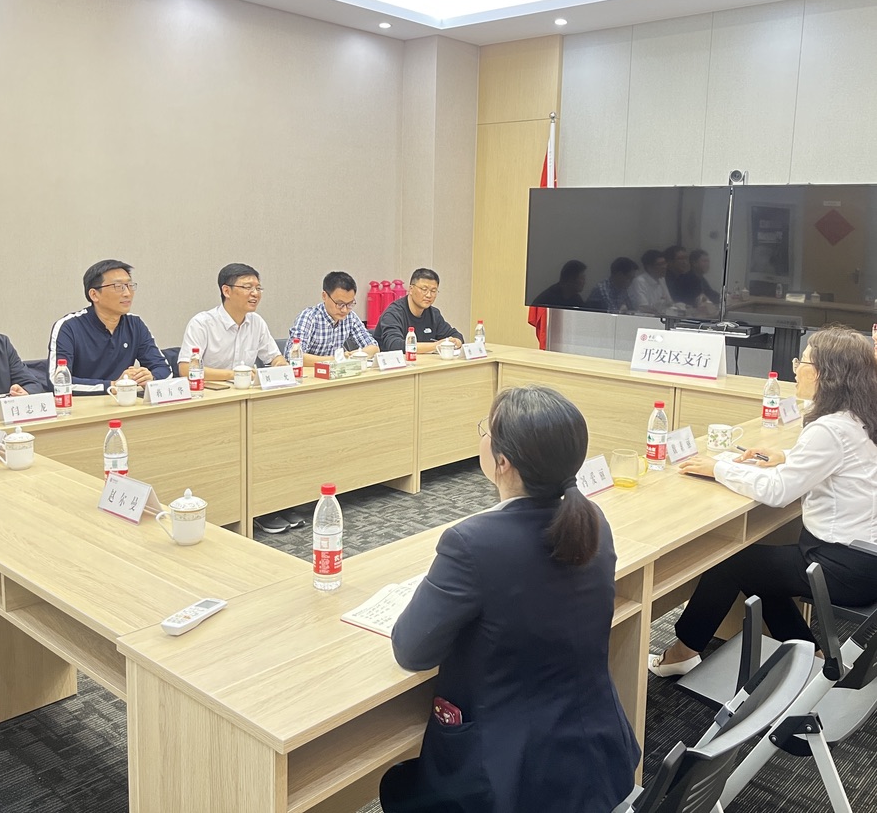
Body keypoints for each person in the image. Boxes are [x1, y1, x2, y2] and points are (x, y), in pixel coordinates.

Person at [379, 385, 640, 813]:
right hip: (595, 756)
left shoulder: (471, 543)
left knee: (398, 787)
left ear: (503, 462)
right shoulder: (593, 520)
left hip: (507, 779)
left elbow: (411, 651)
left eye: (487, 430)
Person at [650, 326, 877, 677]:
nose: (795, 369)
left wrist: (719, 468)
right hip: (862, 557)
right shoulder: (860, 417)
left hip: (841, 565)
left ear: (823, 374)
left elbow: (778, 492)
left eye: (802, 362)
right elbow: (840, 462)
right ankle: (815, 657)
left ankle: (682, 652)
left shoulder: (830, 428)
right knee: (761, 573)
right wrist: (787, 456)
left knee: (730, 562)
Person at [48, 260, 170, 395]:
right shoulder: (69, 327)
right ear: (94, 295)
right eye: (118, 286)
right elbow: (57, 382)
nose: (127, 293)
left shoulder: (135, 325)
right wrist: (112, 386)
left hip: (123, 403)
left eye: (129, 285)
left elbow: (164, 370)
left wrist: (151, 378)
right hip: (82, 405)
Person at [178, 263, 287, 380]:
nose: (255, 293)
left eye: (258, 288)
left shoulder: (257, 322)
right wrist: (233, 374)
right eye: (248, 287)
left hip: (246, 389)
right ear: (226, 291)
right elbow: (186, 369)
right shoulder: (202, 323)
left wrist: (280, 364)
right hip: (212, 389)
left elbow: (274, 357)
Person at [288, 271, 379, 366]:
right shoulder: (309, 317)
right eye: (339, 304)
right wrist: (335, 359)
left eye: (350, 304)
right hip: (310, 373)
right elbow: (293, 356)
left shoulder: (350, 317)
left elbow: (374, 347)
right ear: (324, 296)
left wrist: (353, 355)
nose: (344, 310)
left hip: (336, 372)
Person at [373, 268, 463, 354]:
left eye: (433, 291)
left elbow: (456, 335)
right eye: (424, 290)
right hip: (393, 363)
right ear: (411, 289)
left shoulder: (434, 314)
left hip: (422, 362)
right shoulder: (393, 313)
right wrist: (435, 346)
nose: (429, 295)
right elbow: (395, 345)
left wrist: (455, 342)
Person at [628, 249, 673, 315]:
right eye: (659, 264)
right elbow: (643, 308)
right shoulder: (639, 281)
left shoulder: (661, 279)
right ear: (649, 267)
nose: (664, 267)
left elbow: (669, 303)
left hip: (661, 317)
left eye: (664, 263)